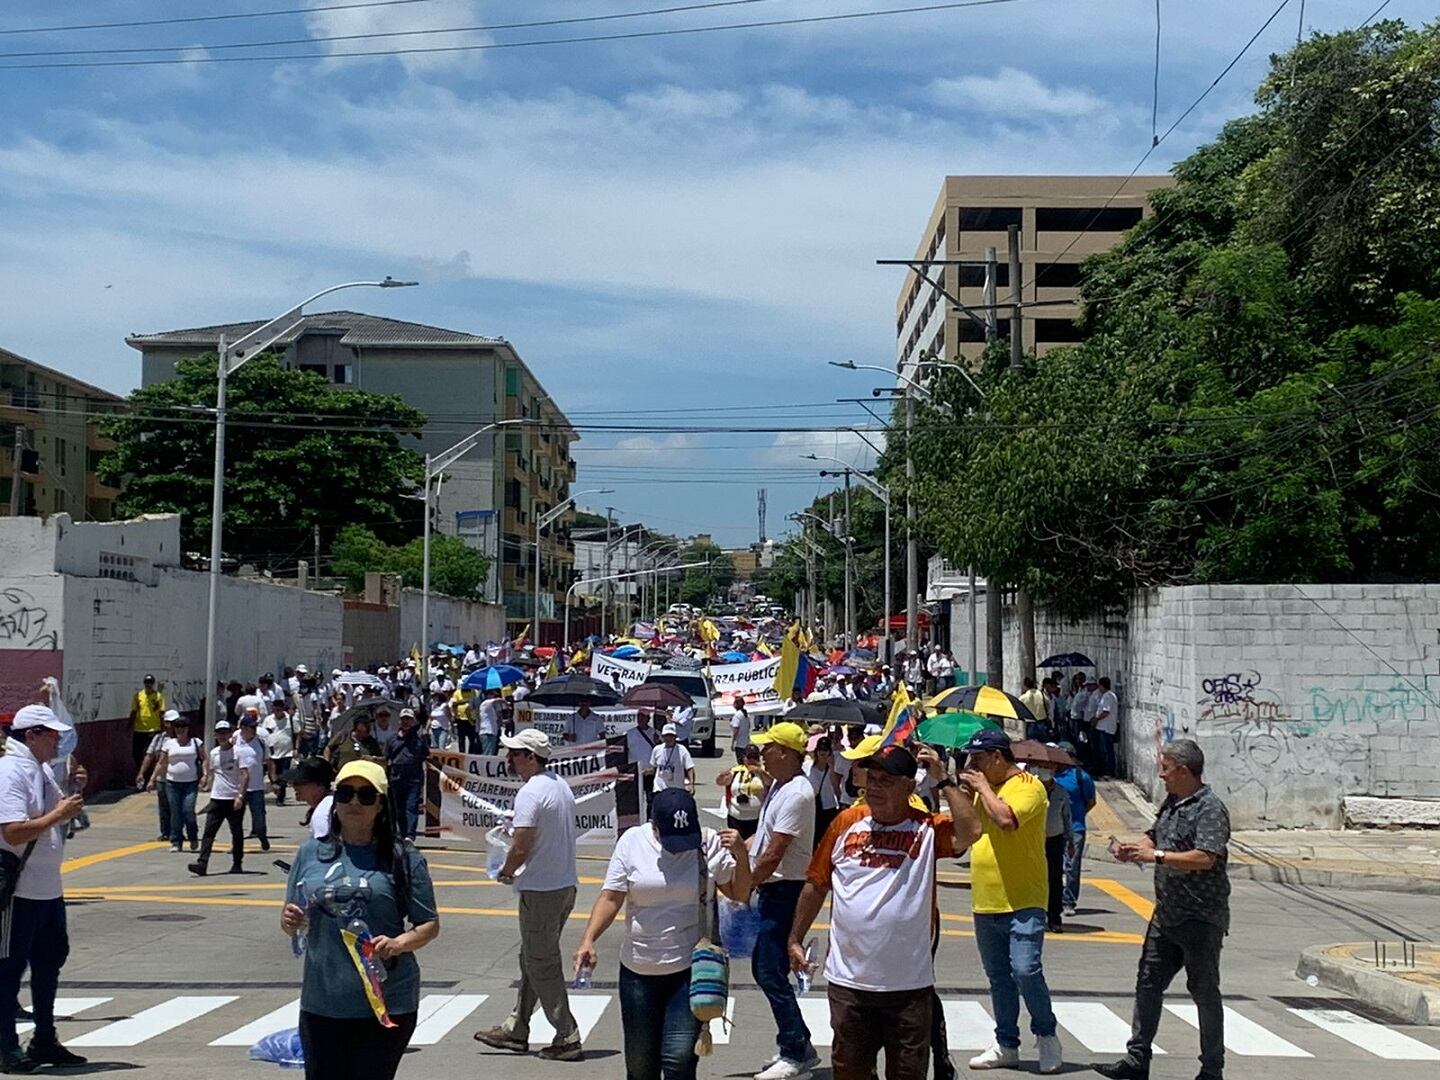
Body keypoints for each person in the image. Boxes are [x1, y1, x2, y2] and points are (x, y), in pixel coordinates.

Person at [787, 745, 977, 1080]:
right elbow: (817, 884)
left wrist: (944, 780)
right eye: (870, 779)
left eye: (885, 780)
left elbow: (971, 831)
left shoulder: (928, 828)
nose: (874, 787)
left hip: (908, 989)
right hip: (850, 986)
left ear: (909, 786)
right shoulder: (847, 822)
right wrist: (795, 939)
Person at [574, 788, 753, 1080]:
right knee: (640, 1067)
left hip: (687, 970)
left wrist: (741, 855)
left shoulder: (708, 844)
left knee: (679, 1060)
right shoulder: (632, 842)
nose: (679, 847)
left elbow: (740, 893)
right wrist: (588, 939)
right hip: (637, 972)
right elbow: (611, 897)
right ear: (654, 825)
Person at [281, 760, 440, 1080]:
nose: (354, 802)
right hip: (322, 1001)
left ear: (381, 804)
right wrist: (290, 920)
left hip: (385, 1002)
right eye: (346, 793)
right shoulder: (309, 854)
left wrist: (397, 943)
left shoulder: (404, 857)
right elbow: (291, 919)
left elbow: (428, 925)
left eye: (366, 795)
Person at [1096, 740, 1231, 1080]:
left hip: (1200, 917)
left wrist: (1155, 857)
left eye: (1166, 768)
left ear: (1184, 771)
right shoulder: (1172, 801)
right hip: (1166, 914)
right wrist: (1135, 848)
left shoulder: (1210, 808)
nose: (1161, 775)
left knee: (1204, 992)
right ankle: (1137, 1059)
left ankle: (1212, 1069)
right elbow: (1155, 835)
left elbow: (1205, 857)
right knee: (1147, 983)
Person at [950, 729, 1062, 1074]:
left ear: (997, 758)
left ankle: (1046, 1034)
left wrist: (983, 788)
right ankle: (1006, 1042)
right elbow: (962, 839)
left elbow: (1006, 820)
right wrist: (963, 794)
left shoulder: (1028, 786)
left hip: (1024, 897)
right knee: (998, 977)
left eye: (978, 760)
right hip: (986, 898)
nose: (972, 766)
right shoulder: (982, 792)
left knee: (1026, 970)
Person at [474, 729, 584, 1061]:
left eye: (516, 753)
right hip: (563, 885)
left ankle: (567, 1034)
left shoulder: (530, 792)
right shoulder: (558, 785)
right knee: (532, 960)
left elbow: (521, 847)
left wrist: (506, 872)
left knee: (541, 963)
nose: (509, 758)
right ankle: (516, 1028)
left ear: (532, 757)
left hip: (542, 888)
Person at [0, 705, 89, 1073]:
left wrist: (73, 791)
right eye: (51, 734)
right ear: (31, 735)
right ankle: (6, 1046)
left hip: (47, 889)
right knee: (9, 969)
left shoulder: (38, 769)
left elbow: (57, 810)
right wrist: (59, 815)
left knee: (49, 963)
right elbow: (12, 831)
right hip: (18, 892)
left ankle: (44, 1038)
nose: (58, 740)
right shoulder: (10, 771)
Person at [747, 721, 818, 1080]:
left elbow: (775, 853)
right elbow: (761, 841)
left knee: (770, 970)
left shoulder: (797, 793)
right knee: (766, 969)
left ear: (787, 753)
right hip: (773, 890)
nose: (762, 753)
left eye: (769, 747)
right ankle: (796, 1041)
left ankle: (796, 1050)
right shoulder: (778, 786)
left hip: (786, 890)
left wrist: (744, 884)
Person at [189, 719, 252, 877]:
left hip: (233, 798)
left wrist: (240, 796)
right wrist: (205, 780)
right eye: (219, 733)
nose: (222, 736)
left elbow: (245, 775)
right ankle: (202, 864)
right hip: (217, 798)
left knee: (236, 832)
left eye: (225, 733)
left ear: (230, 734)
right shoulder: (214, 752)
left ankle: (237, 863)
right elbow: (211, 771)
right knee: (209, 832)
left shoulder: (238, 752)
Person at [148, 714, 205, 852]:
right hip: (172, 783)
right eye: (177, 727)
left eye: (182, 727)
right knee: (175, 813)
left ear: (188, 728)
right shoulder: (169, 744)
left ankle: (192, 836)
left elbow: (205, 759)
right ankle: (176, 841)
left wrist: (206, 775)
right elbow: (161, 762)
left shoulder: (196, 742)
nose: (180, 730)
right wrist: (152, 779)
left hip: (190, 783)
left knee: (188, 811)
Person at [1052, 745, 1096, 916]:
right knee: (1053, 865)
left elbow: (1091, 801)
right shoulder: (1050, 775)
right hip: (1054, 827)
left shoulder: (1080, 777)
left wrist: (1075, 816)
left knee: (1071, 866)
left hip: (1075, 828)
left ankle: (1069, 901)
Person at [1037, 767, 1072, 933]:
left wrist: (1070, 840)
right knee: (1037, 879)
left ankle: (1054, 918)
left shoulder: (1061, 792)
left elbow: (1067, 817)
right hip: (1035, 841)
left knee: (1055, 879)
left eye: (1046, 769)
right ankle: (1037, 916)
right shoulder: (1032, 789)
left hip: (1055, 840)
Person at [385, 709, 428, 841]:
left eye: (409, 719)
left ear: (412, 721)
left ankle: (410, 835)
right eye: (404, 719)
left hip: (413, 777)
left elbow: (426, 754)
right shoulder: (392, 738)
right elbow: (387, 756)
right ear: (400, 720)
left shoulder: (419, 738)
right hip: (396, 777)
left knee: (411, 806)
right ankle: (403, 834)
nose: (406, 722)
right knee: (399, 809)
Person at [136, 710, 177, 843]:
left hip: (177, 778)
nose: (172, 725)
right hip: (161, 778)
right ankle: (165, 832)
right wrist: (142, 773)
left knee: (176, 806)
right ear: (165, 723)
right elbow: (149, 756)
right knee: (164, 806)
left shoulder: (183, 738)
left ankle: (177, 832)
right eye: (169, 723)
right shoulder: (159, 738)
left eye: (174, 722)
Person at [236, 711, 272, 852]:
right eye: (252, 727)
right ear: (243, 728)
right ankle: (237, 844)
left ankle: (262, 836)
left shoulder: (261, 743)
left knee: (259, 818)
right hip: (239, 788)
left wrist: (272, 779)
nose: (255, 730)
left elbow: (268, 761)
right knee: (236, 819)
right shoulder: (235, 739)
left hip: (256, 786)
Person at [281, 757, 335, 840]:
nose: (294, 786)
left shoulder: (323, 814)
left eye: (300, 782)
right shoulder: (328, 803)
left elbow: (322, 850)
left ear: (319, 785)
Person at [718, 746, 766, 838]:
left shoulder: (764, 771)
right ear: (744, 758)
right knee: (736, 846)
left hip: (756, 818)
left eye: (754, 757)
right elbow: (720, 782)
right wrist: (722, 775)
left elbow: (771, 782)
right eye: (749, 757)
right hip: (735, 817)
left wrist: (759, 771)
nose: (752, 760)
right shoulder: (736, 771)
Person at [803, 737, 842, 843]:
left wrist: (832, 766)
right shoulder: (807, 766)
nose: (822, 752)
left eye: (825, 749)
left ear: (830, 751)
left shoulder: (833, 769)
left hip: (829, 807)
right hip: (813, 806)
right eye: (820, 749)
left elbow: (836, 786)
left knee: (827, 838)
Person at [128, 673, 166, 773]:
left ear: (153, 684)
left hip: (153, 729)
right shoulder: (138, 696)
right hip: (139, 729)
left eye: (150, 683)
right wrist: (129, 725)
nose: (148, 685)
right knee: (136, 753)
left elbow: (162, 713)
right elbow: (134, 711)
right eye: (146, 682)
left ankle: (149, 773)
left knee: (151, 753)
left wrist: (163, 728)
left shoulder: (158, 696)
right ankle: (140, 771)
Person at [625, 710, 661, 810]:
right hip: (635, 772)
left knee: (650, 797)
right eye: (639, 716)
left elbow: (661, 752)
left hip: (649, 772)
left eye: (643, 716)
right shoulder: (629, 733)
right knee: (634, 798)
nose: (640, 718)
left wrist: (657, 742)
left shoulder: (656, 733)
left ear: (648, 718)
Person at [266, 699, 297, 807]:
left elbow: (297, 734)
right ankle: (276, 786)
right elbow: (265, 734)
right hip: (272, 752)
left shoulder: (291, 719)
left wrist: (296, 748)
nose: (277, 711)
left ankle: (280, 798)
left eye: (279, 709)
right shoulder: (268, 720)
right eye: (275, 709)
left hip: (286, 752)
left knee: (284, 775)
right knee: (273, 775)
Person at [649, 724, 695, 794]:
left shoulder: (682, 750)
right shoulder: (657, 749)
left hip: (677, 789)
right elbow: (653, 768)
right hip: (659, 789)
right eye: (666, 736)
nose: (668, 738)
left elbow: (690, 768)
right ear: (662, 737)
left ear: (675, 737)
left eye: (671, 736)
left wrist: (691, 784)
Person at [1092, 677, 1120, 778]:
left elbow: (1106, 711)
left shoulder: (1108, 696)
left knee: (1107, 750)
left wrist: (1096, 719)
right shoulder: (1107, 695)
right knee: (1105, 750)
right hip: (1104, 727)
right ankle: (1105, 770)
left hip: (1106, 727)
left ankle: (1109, 771)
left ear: (1101, 685)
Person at [477, 691, 504, 756]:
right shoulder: (485, 703)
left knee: (491, 752)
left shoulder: (491, 708)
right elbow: (498, 700)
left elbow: (496, 721)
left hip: (492, 732)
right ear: (487, 695)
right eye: (492, 695)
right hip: (487, 732)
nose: (494, 697)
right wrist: (506, 703)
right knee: (487, 753)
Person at [729, 695, 752, 764]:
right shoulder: (746, 714)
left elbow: (736, 729)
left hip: (739, 743)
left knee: (740, 763)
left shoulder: (737, 715)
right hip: (746, 742)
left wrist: (733, 742)